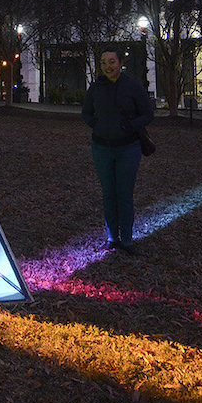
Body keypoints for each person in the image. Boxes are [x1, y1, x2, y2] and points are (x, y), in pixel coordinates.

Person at [82, 47, 153, 254]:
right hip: (102, 147)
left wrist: (130, 126)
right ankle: (112, 237)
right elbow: (86, 113)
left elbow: (148, 114)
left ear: (120, 63)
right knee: (108, 194)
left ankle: (127, 239)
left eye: (111, 62)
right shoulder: (95, 88)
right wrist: (98, 125)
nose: (108, 66)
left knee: (124, 194)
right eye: (104, 63)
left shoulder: (133, 87)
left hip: (128, 148)